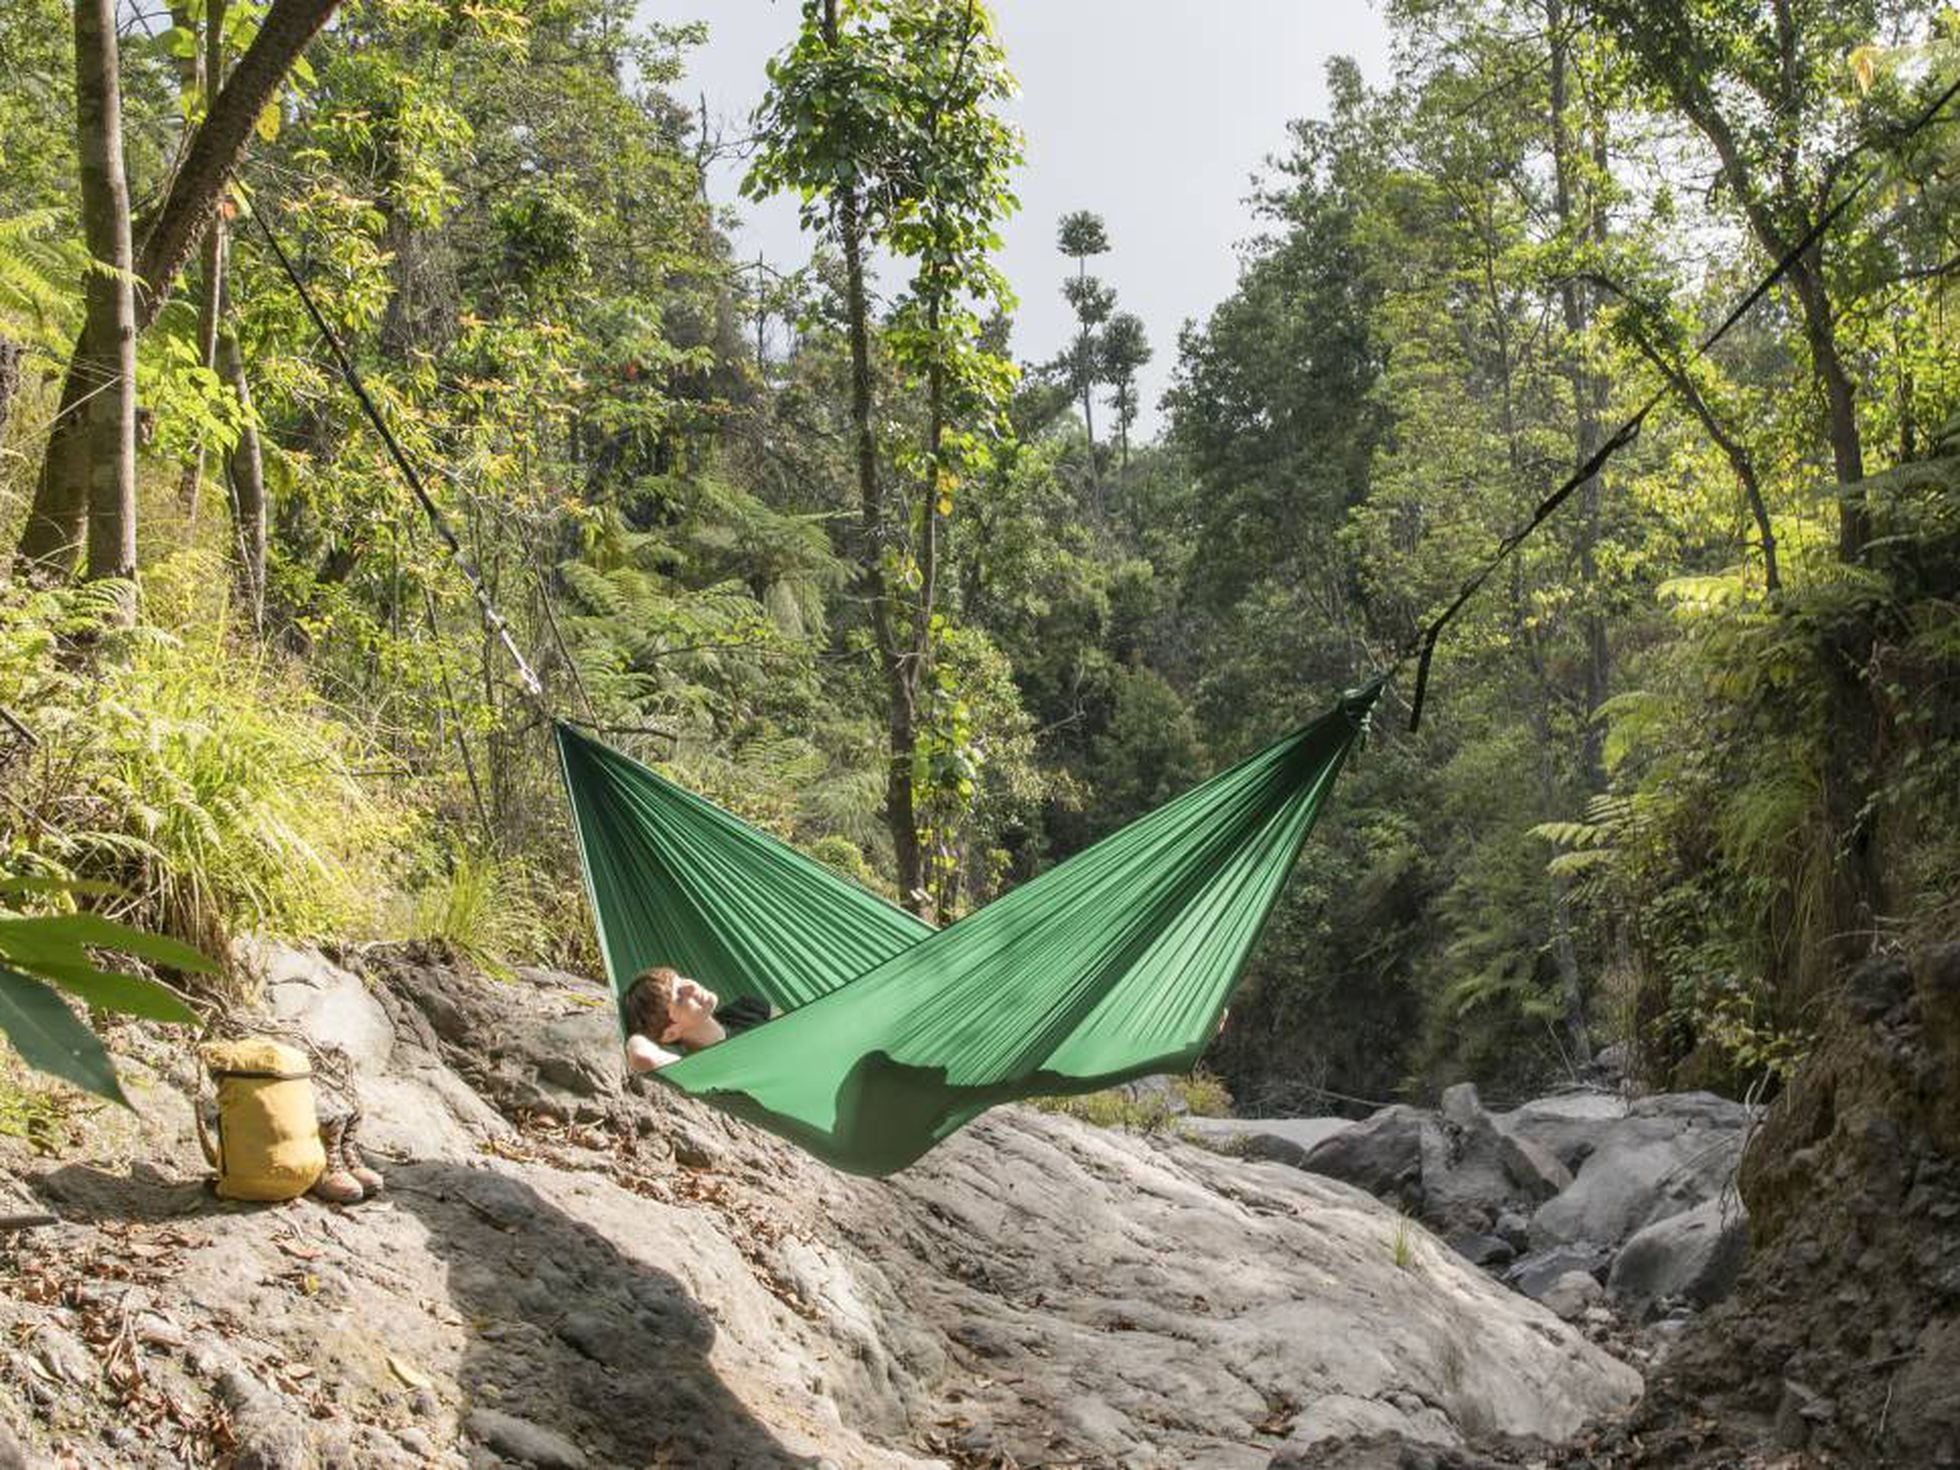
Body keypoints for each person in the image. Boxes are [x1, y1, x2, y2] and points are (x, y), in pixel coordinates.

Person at [621, 965, 772, 1073]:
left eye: (681, 981)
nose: (692, 988)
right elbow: (640, 1054)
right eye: (679, 998)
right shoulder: (701, 1070)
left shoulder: (748, 1007)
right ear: (671, 1034)